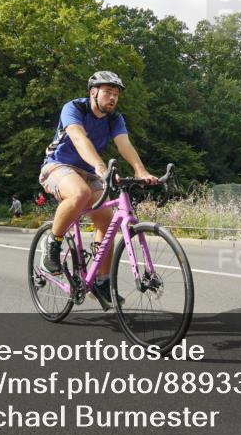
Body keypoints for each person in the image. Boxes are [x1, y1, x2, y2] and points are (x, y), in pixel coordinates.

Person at [38, 70, 157, 303]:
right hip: (57, 166)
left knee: (107, 219)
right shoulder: (74, 108)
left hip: (90, 171)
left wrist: (140, 170)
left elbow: (124, 144)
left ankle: (101, 282)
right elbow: (79, 139)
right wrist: (102, 169)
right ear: (93, 92)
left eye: (116, 94)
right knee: (79, 193)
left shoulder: (115, 119)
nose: (112, 98)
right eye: (107, 93)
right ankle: (53, 242)